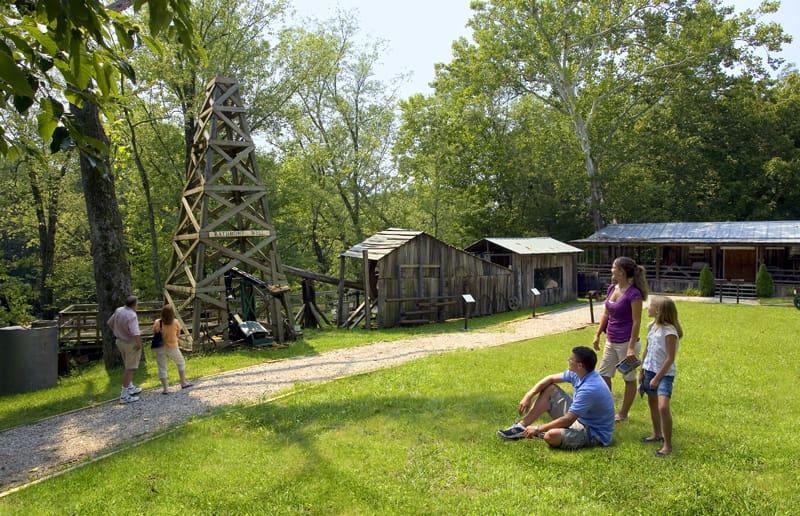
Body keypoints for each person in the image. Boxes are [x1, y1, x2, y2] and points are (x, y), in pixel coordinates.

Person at [496, 346, 615, 449]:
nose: (568, 360)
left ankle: (538, 433)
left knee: (551, 436)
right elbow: (550, 378)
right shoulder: (579, 373)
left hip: (594, 434)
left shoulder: (590, 388)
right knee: (550, 389)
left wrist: (538, 428)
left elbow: (568, 419)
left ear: (580, 365)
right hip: (580, 419)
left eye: (571, 359)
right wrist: (529, 395)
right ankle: (520, 427)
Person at [592, 256, 649, 422]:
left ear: (622, 272)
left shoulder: (634, 294)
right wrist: (597, 334)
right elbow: (606, 313)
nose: (611, 270)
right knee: (603, 375)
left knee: (629, 378)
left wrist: (631, 347)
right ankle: (607, 409)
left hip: (626, 343)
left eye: (613, 267)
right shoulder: (612, 288)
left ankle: (623, 414)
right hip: (611, 339)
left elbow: (637, 321)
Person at [639, 296, 683, 457]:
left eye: (650, 306)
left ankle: (667, 444)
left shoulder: (670, 332)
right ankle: (657, 434)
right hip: (649, 370)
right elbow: (647, 350)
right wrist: (642, 371)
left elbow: (670, 358)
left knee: (663, 407)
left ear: (658, 310)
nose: (648, 308)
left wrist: (657, 378)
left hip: (663, 374)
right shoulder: (653, 327)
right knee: (652, 403)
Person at [107, 295, 144, 403]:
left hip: (119, 341)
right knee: (130, 368)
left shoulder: (119, 310)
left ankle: (130, 387)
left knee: (127, 364)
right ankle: (124, 396)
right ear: (134, 304)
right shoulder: (132, 315)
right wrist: (138, 343)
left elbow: (109, 323)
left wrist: (117, 331)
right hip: (130, 343)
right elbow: (135, 332)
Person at [152, 304, 193, 394]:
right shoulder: (176, 322)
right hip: (172, 346)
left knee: (162, 367)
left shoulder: (157, 322)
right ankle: (183, 382)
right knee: (180, 362)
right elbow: (178, 334)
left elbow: (155, 332)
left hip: (159, 347)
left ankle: (165, 389)